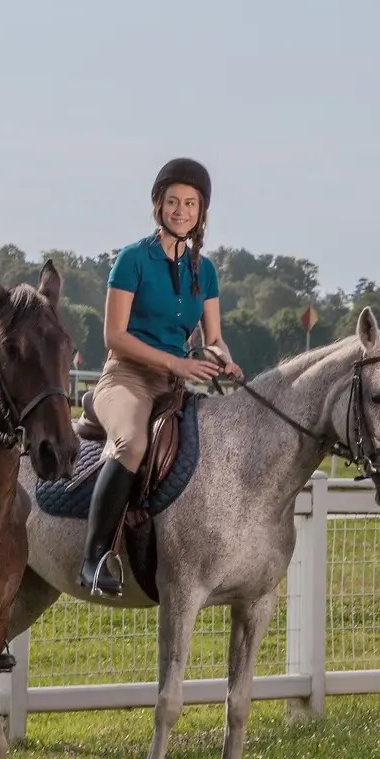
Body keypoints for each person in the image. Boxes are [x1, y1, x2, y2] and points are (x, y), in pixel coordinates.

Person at [79, 158, 243, 596]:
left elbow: (213, 338)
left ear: (201, 211)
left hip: (176, 386)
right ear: (158, 205)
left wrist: (224, 359)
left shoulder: (204, 271)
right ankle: (94, 558)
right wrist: (176, 364)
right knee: (131, 443)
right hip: (127, 378)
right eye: (173, 201)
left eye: (190, 203)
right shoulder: (132, 259)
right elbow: (114, 336)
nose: (181, 210)